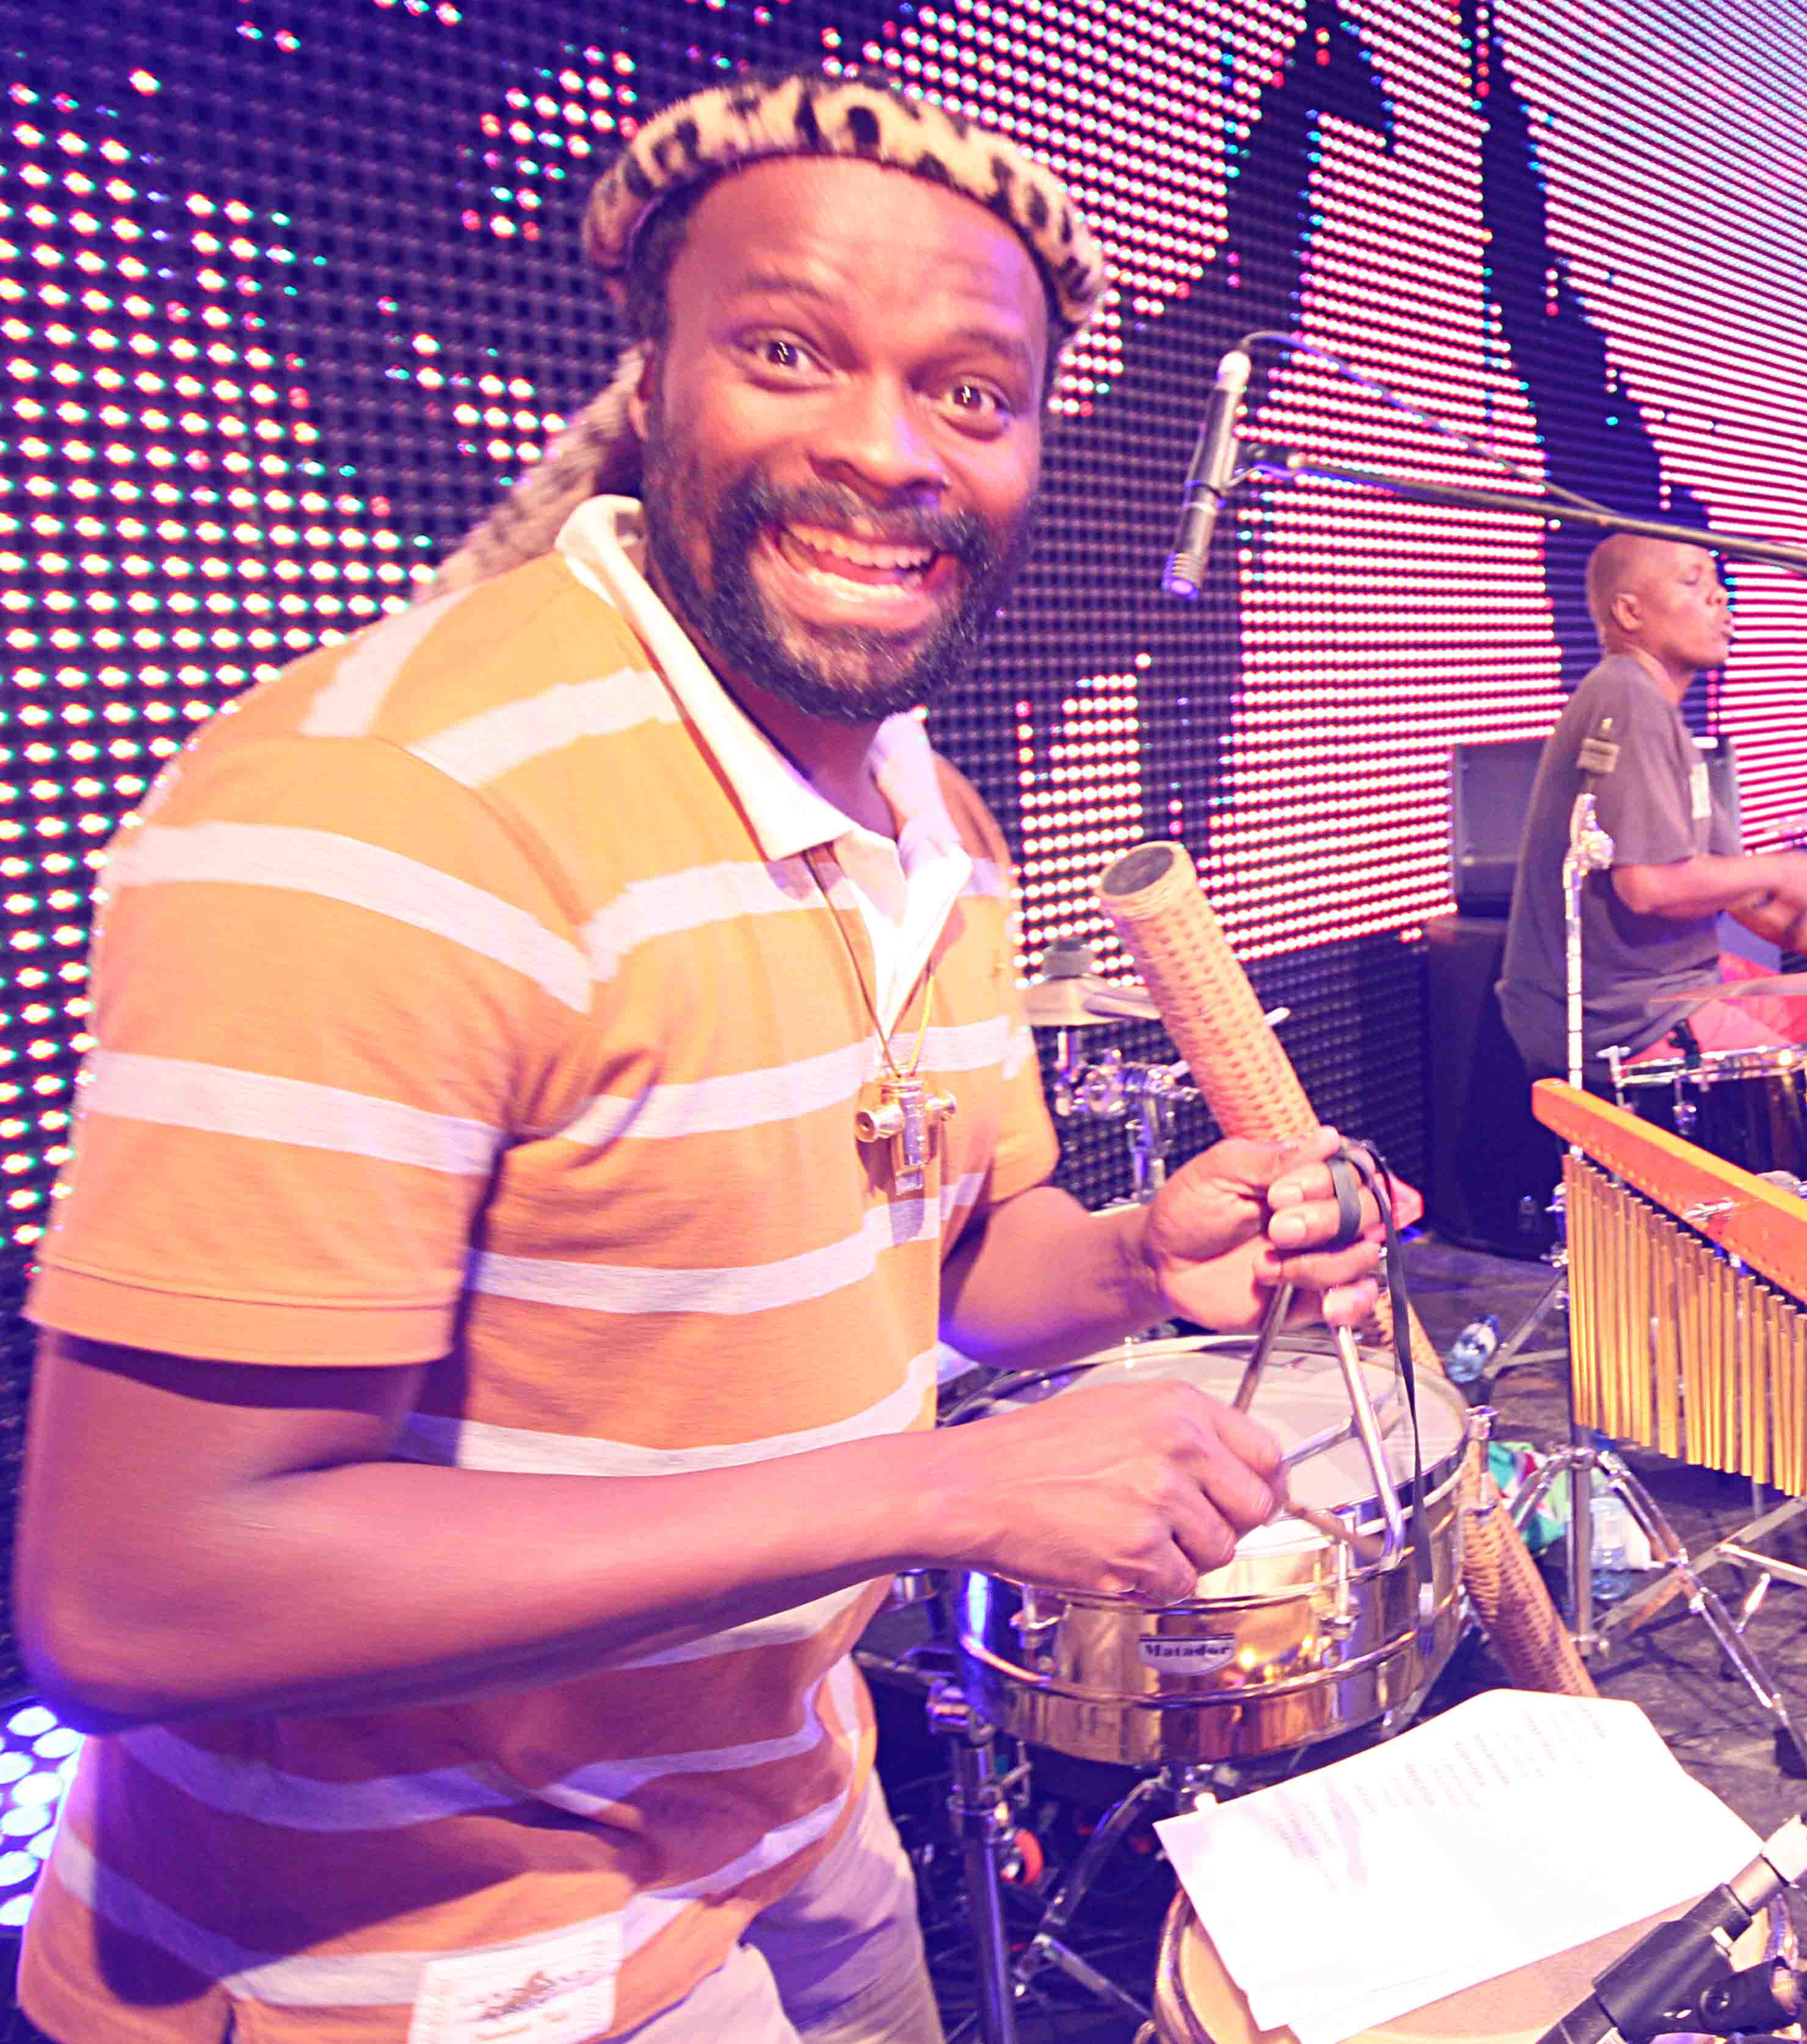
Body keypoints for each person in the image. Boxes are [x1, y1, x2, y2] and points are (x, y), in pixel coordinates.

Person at [10, 72, 1411, 2044]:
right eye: (790, 353)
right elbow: (141, 1594)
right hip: (417, 1952)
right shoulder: (391, 809)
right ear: (651, 377)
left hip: (788, 1804)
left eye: (972, 393)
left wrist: (1130, 1262)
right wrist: (937, 1490)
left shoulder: (933, 817)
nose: (887, 449)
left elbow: (941, 1258)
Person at [1496, 533, 1807, 1081]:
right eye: (1692, 582)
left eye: (1718, 583)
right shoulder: (1626, 694)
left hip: (1678, 988)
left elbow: (1745, 900)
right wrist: (1782, 869)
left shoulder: (1660, 713)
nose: (1719, 597)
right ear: (1629, 612)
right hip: (1624, 1019)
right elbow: (1647, 886)